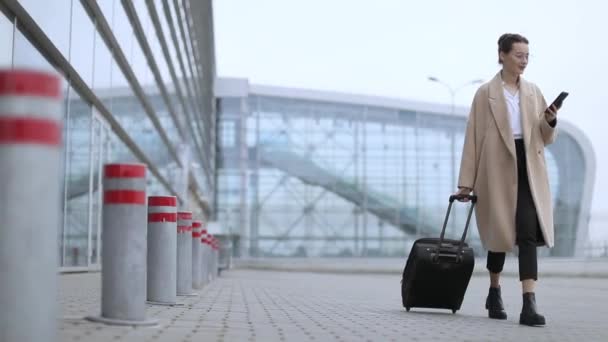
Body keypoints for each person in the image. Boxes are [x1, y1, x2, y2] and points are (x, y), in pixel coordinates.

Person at [454, 33, 559, 326]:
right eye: (518, 55)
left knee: (527, 231)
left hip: (528, 166)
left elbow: (543, 135)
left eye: (527, 56)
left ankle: (529, 304)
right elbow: (473, 138)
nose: (524, 61)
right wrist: (466, 182)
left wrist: (549, 120)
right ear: (502, 55)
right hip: (496, 167)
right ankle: (494, 290)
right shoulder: (484, 94)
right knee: (499, 234)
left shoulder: (533, 91)